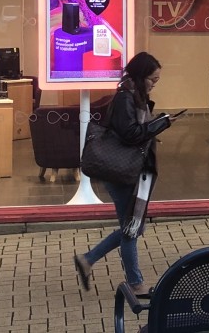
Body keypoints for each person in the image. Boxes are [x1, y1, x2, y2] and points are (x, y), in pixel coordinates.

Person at [73, 52, 180, 296]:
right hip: (122, 172)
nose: (154, 84)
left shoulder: (136, 96)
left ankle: (87, 259)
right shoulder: (125, 97)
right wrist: (160, 123)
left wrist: (158, 121)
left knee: (133, 227)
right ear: (141, 76)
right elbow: (130, 134)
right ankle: (136, 283)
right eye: (153, 79)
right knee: (132, 228)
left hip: (133, 171)